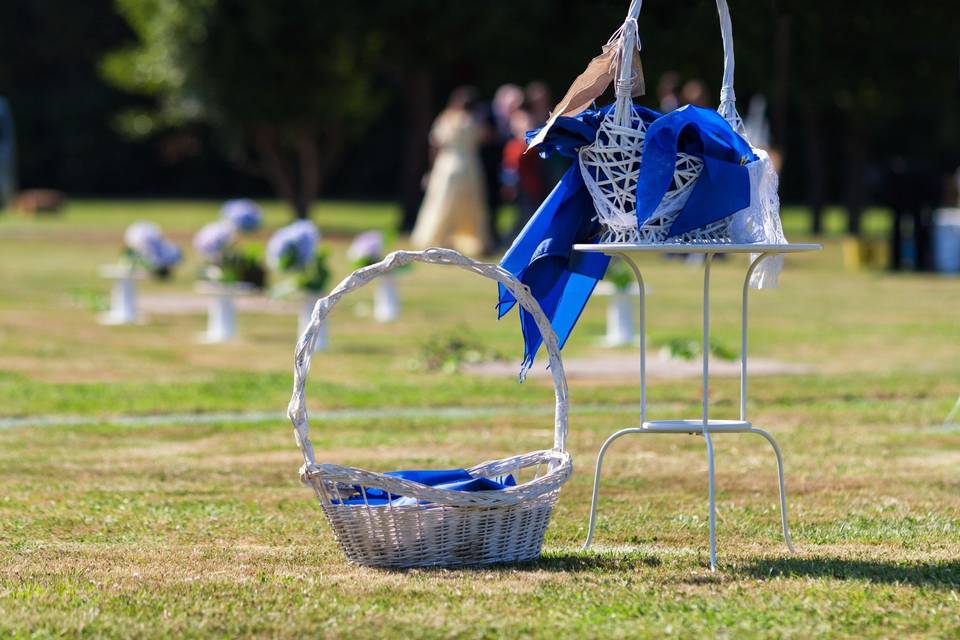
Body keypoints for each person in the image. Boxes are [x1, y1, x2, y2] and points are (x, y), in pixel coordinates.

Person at [411, 87, 492, 256]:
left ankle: (434, 238)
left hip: (447, 164)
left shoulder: (446, 118)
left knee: (441, 201)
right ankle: (473, 240)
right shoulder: (473, 120)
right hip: (469, 165)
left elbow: (435, 144)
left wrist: (431, 169)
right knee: (470, 205)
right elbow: (485, 137)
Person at [477, 84, 524, 248]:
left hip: (504, 167)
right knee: (488, 202)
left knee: (499, 203)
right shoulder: (486, 112)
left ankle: (495, 236)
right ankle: (488, 236)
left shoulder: (514, 117)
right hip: (486, 166)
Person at [501, 109, 549, 242]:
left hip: (532, 185)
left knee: (530, 213)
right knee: (521, 214)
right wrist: (509, 185)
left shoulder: (528, 144)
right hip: (520, 186)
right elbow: (509, 167)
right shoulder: (513, 145)